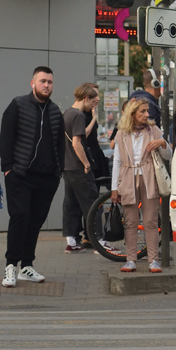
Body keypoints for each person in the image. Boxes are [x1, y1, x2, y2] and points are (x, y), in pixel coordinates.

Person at [0, 66, 63, 288]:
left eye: (50, 82)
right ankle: (10, 266)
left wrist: (58, 172)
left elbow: (60, 145)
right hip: (20, 175)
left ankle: (27, 265)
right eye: (43, 81)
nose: (47, 85)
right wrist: (8, 168)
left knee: (35, 221)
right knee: (20, 217)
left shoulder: (55, 111)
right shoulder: (18, 105)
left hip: (47, 178)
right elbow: (6, 136)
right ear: (32, 83)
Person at [111, 98, 169, 273]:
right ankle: (131, 260)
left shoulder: (154, 131)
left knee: (151, 220)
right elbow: (117, 162)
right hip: (128, 177)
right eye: (142, 111)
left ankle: (154, 260)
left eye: (147, 111)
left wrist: (162, 143)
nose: (147, 114)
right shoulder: (121, 134)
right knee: (130, 221)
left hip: (149, 177)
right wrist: (114, 188)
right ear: (132, 114)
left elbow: (169, 155)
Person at [61, 83, 101, 253]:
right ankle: (99, 240)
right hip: (79, 167)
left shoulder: (66, 113)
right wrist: (86, 163)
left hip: (67, 166)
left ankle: (71, 241)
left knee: (71, 204)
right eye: (93, 101)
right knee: (92, 203)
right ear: (86, 98)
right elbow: (77, 143)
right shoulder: (78, 115)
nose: (94, 105)